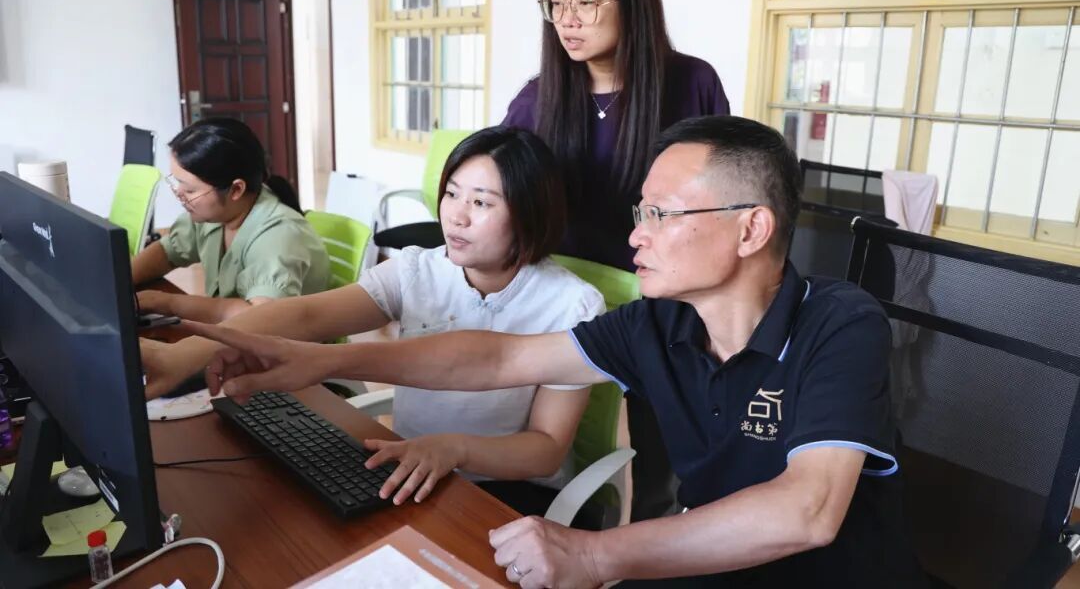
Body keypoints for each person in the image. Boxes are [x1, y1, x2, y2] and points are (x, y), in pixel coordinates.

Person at [186, 116, 926, 587]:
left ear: (751, 229)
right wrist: (326, 360)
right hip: (701, 567)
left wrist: (594, 554)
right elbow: (498, 359)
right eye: (640, 211)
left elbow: (808, 511)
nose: (635, 235)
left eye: (661, 214)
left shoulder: (839, 322)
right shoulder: (657, 323)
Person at [142, 126, 605, 516]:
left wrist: (455, 448)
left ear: (530, 211)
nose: (456, 216)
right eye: (451, 194)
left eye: (482, 203)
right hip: (408, 468)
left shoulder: (571, 305)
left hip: (501, 488)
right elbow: (306, 314)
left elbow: (546, 449)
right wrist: (187, 355)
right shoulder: (417, 269)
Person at [503, 0, 731, 521]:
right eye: (555, 2)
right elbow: (505, 198)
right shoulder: (535, 100)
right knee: (553, 451)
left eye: (585, 1)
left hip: (664, 304)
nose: (567, 19)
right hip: (564, 299)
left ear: (632, 1)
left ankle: (657, 540)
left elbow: (721, 200)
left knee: (663, 468)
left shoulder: (692, 84)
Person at [130, 118, 330, 323]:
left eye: (189, 189)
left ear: (236, 189)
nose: (179, 194)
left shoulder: (277, 236)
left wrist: (167, 303)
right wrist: (121, 281)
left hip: (279, 339)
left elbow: (262, 317)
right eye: (177, 182)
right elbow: (168, 251)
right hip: (235, 333)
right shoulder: (215, 213)